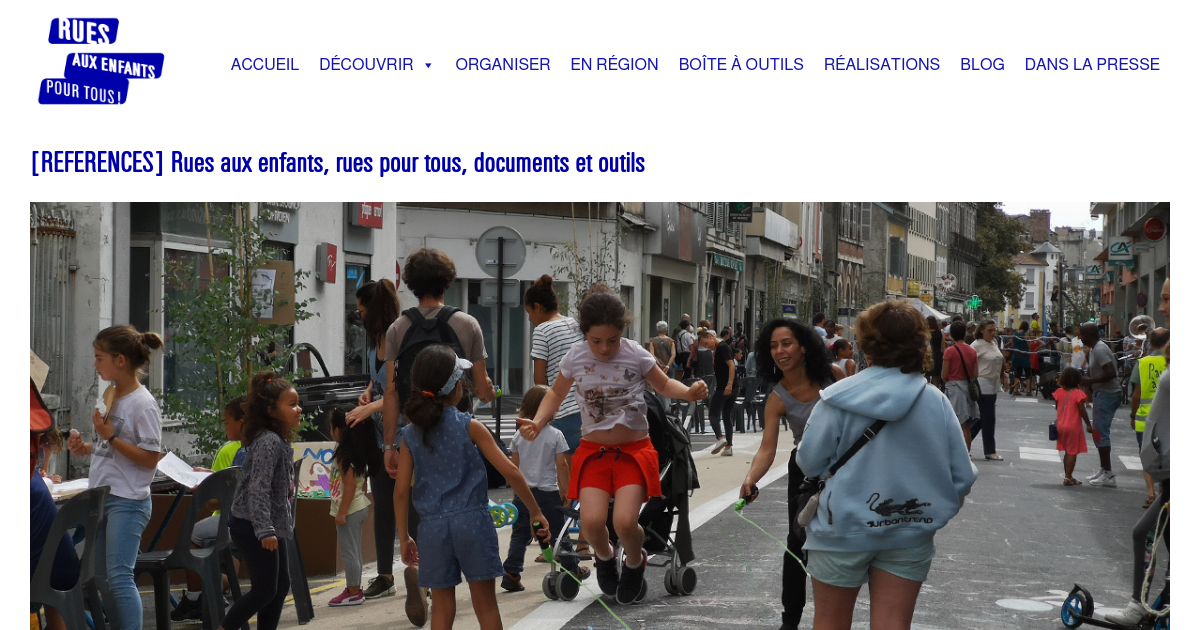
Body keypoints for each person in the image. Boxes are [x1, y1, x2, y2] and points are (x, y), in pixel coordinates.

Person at [517, 284, 708, 605]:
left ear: (623, 331)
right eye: (596, 341)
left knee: (624, 521)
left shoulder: (636, 353)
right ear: (584, 334)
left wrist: (689, 392)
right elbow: (555, 394)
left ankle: (634, 561)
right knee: (591, 522)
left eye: (612, 339)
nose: (605, 348)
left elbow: (663, 385)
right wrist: (538, 421)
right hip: (594, 453)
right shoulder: (575, 356)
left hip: (634, 452)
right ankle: (605, 557)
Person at [798, 300, 977, 630]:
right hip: (910, 529)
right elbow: (963, 476)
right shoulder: (934, 401)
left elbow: (808, 462)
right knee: (894, 623)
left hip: (841, 528)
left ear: (866, 345)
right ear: (918, 343)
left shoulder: (837, 399)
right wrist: (933, 510)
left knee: (829, 622)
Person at [376, 249, 496, 625]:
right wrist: (490, 390)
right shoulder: (466, 324)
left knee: (424, 510)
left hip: (414, 433)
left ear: (411, 285)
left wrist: (390, 444)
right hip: (459, 435)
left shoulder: (397, 329)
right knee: (462, 502)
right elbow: (481, 386)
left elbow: (391, 391)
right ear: (448, 281)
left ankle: (424, 572)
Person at [394, 346, 549, 630]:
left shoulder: (410, 435)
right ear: (456, 388)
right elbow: (510, 471)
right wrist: (535, 511)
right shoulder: (470, 426)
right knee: (485, 606)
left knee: (441, 610)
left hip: (432, 528)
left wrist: (404, 536)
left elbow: (401, 491)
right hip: (473, 523)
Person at [64, 326, 164, 630]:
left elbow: (150, 458)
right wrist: (86, 447)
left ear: (120, 360)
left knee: (119, 577)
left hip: (128, 500)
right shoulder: (109, 395)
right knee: (102, 578)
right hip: (102, 497)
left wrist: (110, 436)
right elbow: (111, 448)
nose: (95, 364)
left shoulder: (142, 403)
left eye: (99, 357)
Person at [739, 318, 836, 630]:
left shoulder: (833, 378)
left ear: (803, 347)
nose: (780, 351)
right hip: (804, 472)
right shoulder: (777, 397)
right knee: (797, 542)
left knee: (841, 541)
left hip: (844, 468)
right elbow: (767, 449)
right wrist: (751, 478)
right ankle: (789, 621)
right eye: (773, 346)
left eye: (786, 343)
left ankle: (832, 615)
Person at [1106, 278, 1169, 628]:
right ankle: (1148, 603)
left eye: (1168, 299)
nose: (1161, 307)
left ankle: (1142, 604)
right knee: (1149, 533)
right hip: (1167, 466)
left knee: (1146, 533)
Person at [217, 372, 303, 630]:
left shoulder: (276, 439)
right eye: (292, 404)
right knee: (265, 590)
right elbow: (258, 488)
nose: (299, 409)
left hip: (269, 525)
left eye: (298, 403)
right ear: (272, 411)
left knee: (280, 586)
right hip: (252, 525)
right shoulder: (268, 442)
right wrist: (265, 529)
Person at [344, 279, 407, 601]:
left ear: (375, 310)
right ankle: (385, 576)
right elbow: (379, 379)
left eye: (362, 310)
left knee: (412, 506)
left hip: (406, 433)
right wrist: (369, 391)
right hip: (382, 437)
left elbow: (403, 392)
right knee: (383, 504)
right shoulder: (374, 341)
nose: (359, 315)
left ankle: (423, 574)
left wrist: (370, 407)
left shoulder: (401, 337)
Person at [501, 385, 587, 593]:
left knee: (520, 534)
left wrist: (516, 491)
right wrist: (565, 491)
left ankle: (512, 572)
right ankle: (571, 568)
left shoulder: (518, 436)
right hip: (548, 493)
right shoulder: (555, 434)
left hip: (523, 493)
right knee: (558, 533)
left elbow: (514, 467)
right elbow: (562, 465)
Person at [171, 396, 247, 621]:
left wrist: (204, 486)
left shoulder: (241, 451)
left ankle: (195, 597)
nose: (224, 427)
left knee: (192, 534)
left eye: (227, 422)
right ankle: (207, 591)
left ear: (241, 423)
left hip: (240, 519)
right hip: (245, 517)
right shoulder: (250, 447)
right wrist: (210, 477)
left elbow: (219, 501)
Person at [327, 405, 382, 606]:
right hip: (358, 506)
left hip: (350, 510)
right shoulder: (355, 451)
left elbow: (349, 484)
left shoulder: (344, 454)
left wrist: (342, 513)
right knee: (354, 552)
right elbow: (359, 482)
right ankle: (354, 588)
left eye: (331, 427)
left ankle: (353, 592)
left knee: (350, 554)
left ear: (338, 430)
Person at [526, 275, 585, 452]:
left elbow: (540, 380)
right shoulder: (575, 324)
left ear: (537, 307)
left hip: (562, 412)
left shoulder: (541, 331)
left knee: (563, 468)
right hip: (586, 409)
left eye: (529, 312)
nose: (529, 319)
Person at [1078, 321, 1121, 487]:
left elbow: (1111, 372)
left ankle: (1108, 474)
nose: (1080, 338)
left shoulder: (1100, 349)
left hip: (1108, 393)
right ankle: (1104, 470)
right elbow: (1094, 370)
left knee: (1100, 432)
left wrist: (1090, 381)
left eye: (1082, 335)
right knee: (1098, 431)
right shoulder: (1095, 349)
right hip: (1103, 392)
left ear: (1089, 335)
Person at [1129, 328, 1168, 508]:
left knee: (1147, 457)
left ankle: (1151, 493)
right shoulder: (1171, 361)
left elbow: (1136, 395)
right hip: (1168, 420)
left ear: (1151, 343)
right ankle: (1165, 496)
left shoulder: (1143, 363)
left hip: (1145, 420)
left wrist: (1133, 414)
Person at [969, 320, 1006, 461]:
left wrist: (1004, 375)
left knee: (982, 418)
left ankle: (963, 443)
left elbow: (999, 360)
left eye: (994, 330)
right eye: (990, 330)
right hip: (983, 382)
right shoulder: (977, 345)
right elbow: (969, 362)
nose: (993, 333)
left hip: (994, 382)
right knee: (989, 418)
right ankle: (990, 451)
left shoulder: (994, 343)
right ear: (982, 330)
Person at [942, 321, 980, 450]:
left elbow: (944, 375)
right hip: (968, 388)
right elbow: (975, 373)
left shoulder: (950, 351)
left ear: (952, 334)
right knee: (966, 426)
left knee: (955, 424)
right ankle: (967, 452)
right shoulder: (972, 350)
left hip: (954, 389)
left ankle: (956, 452)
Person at [1053, 367, 1092, 486]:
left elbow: (1057, 406)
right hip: (1073, 425)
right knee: (1072, 452)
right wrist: (1088, 424)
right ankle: (1068, 477)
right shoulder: (1078, 394)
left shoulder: (1059, 392)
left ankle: (1068, 475)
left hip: (1060, 425)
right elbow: (1082, 410)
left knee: (1067, 451)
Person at [707, 326, 738, 456]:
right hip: (731, 386)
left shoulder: (722, 347)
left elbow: (731, 365)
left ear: (711, 337)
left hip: (725, 386)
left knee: (713, 413)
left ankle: (720, 438)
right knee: (726, 415)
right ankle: (728, 447)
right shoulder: (720, 347)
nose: (707, 347)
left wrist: (729, 384)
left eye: (706, 343)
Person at [1009, 321, 1031, 395]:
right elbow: (1029, 345)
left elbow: (1012, 345)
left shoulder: (1015, 334)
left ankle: (1016, 390)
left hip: (1016, 355)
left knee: (1017, 373)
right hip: (1024, 356)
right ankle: (1028, 391)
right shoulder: (1025, 334)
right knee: (1028, 373)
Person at [926, 316, 944, 389]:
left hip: (927, 356)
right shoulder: (940, 333)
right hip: (937, 356)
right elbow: (943, 347)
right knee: (936, 380)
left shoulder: (925, 334)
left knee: (926, 379)